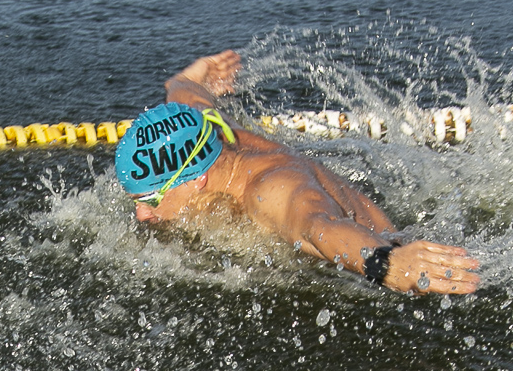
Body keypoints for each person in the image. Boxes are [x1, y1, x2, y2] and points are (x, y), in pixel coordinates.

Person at [119, 49, 481, 297]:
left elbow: (320, 227)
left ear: (196, 179)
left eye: (150, 198)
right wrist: (192, 77)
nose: (141, 213)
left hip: (413, 267)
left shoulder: (270, 190)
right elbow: (184, 93)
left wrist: (389, 264)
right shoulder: (208, 130)